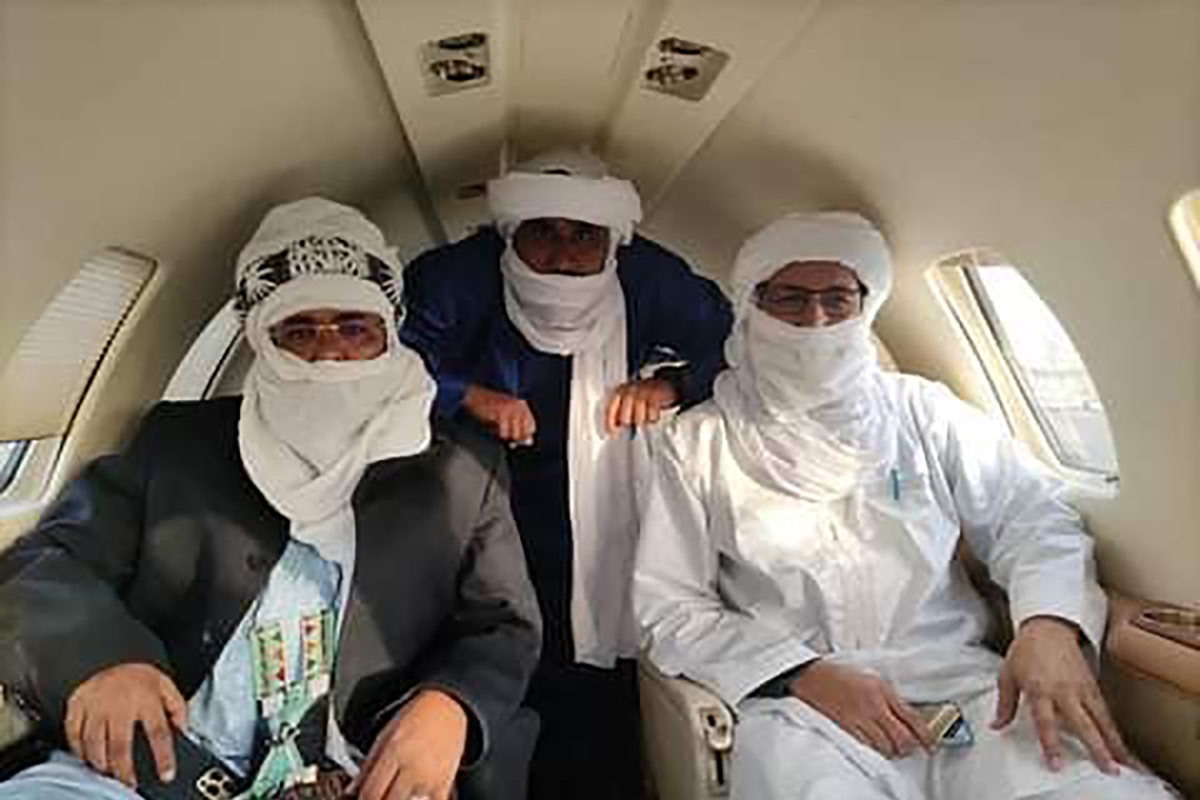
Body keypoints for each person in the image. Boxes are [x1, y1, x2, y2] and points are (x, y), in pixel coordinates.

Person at [0, 198, 542, 800]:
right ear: (263, 338)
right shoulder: (179, 443)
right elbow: (48, 562)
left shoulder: (464, 471)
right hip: (154, 769)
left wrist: (450, 706)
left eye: (355, 328)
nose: (328, 352)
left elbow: (505, 625)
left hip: (359, 776)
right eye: (299, 331)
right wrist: (98, 658)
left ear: (389, 332)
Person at [634, 212, 1177, 800]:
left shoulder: (923, 412)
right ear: (751, 307)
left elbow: (1032, 517)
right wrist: (802, 674)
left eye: (837, 299)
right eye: (790, 299)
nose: (816, 320)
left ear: (864, 305)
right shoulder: (697, 442)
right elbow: (671, 605)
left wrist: (1048, 625)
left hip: (965, 687)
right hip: (803, 711)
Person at [400, 150, 733, 799]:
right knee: (496, 626)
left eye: (583, 236)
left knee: (589, 648)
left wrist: (670, 385)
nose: (562, 253)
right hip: (477, 479)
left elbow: (732, 344)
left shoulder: (647, 276)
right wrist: (469, 395)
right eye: (543, 232)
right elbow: (389, 358)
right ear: (509, 233)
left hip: (601, 484)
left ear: (612, 242)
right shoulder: (458, 275)